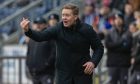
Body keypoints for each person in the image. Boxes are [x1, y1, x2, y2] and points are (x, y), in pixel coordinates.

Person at [20, 3, 104, 84]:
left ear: (75, 17)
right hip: (63, 76)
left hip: (83, 75)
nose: (64, 18)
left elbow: (99, 48)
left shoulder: (87, 29)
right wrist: (28, 31)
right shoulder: (58, 28)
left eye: (67, 15)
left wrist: (93, 62)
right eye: (63, 15)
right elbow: (41, 36)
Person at [26, 17, 56, 84]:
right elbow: (28, 53)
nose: (38, 25)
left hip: (46, 73)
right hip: (34, 73)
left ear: (45, 25)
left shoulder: (49, 36)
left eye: (40, 23)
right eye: (36, 23)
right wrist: (28, 64)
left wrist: (47, 64)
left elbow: (54, 53)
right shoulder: (31, 38)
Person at [105, 13, 132, 84]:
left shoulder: (128, 33)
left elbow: (127, 47)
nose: (117, 20)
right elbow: (108, 45)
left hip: (124, 64)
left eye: (119, 18)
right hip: (112, 63)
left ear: (123, 20)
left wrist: (114, 47)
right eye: (116, 19)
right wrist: (121, 43)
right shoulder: (109, 32)